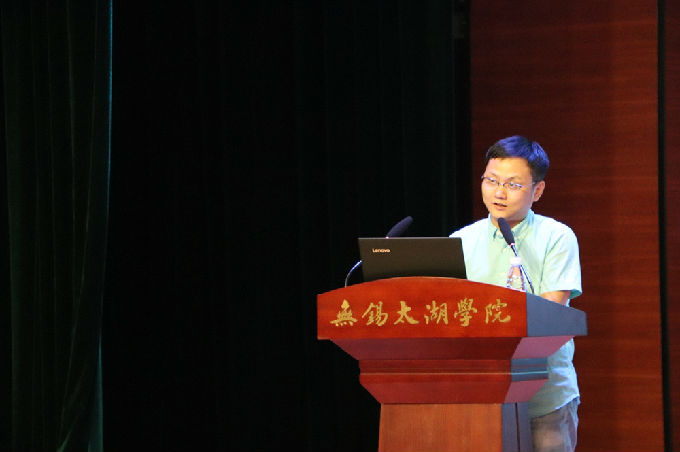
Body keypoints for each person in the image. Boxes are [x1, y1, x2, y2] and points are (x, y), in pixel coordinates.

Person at [450, 135, 582, 452]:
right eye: (491, 181)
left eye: (513, 185)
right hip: (480, 395)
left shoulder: (557, 237)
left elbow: (552, 312)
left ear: (538, 191)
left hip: (544, 398)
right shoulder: (460, 241)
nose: (499, 192)